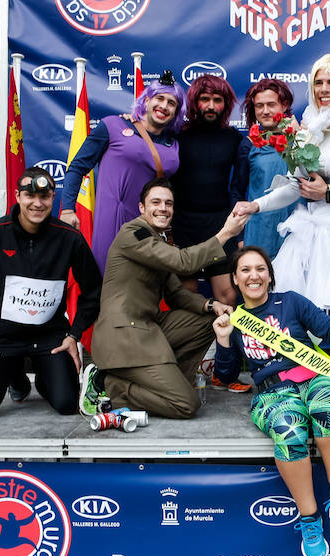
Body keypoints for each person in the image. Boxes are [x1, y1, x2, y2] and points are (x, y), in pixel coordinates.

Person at [235, 54, 330, 417]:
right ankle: (299, 379)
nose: (324, 90)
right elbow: (295, 185)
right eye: (318, 83)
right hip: (311, 222)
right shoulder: (308, 126)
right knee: (297, 301)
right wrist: (256, 206)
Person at [212, 246, 330, 556]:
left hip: (315, 377)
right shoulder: (234, 320)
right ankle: (310, 519)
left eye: (260, 268)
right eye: (245, 270)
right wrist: (223, 341)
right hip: (273, 393)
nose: (254, 275)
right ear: (234, 278)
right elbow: (225, 374)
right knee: (289, 430)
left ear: (269, 275)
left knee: (325, 404)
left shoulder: (289, 301)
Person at [80, 178, 248, 419]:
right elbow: (183, 262)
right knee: (186, 405)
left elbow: (177, 294)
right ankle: (111, 384)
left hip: (147, 331)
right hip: (123, 337)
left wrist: (212, 304)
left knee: (209, 319)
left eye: (168, 203)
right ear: (141, 208)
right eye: (156, 202)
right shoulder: (133, 233)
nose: (163, 208)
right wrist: (226, 233)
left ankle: (168, 382)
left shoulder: (157, 241)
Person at [0, 167, 101, 419]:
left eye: (45, 196)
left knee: (65, 404)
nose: (37, 203)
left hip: (50, 339)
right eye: (30, 196)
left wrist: (74, 334)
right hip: (1, 339)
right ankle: (15, 377)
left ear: (53, 198)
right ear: (17, 196)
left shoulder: (70, 238)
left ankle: (44, 379)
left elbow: (93, 289)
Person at [61, 71, 185, 272]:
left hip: (151, 227)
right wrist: (67, 209)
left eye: (171, 103)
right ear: (146, 100)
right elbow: (77, 167)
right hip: (112, 222)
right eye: (159, 98)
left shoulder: (175, 144)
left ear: (177, 111)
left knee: (144, 289)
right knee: (109, 283)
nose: (164, 106)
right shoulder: (113, 125)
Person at [171, 74, 247, 308]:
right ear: (194, 102)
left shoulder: (234, 137)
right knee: (188, 296)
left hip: (220, 224)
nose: (211, 106)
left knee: (228, 297)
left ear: (226, 104)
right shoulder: (177, 134)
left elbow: (240, 186)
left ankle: (227, 345)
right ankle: (191, 346)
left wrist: (239, 232)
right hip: (183, 225)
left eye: (218, 99)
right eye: (205, 99)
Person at [237, 78, 301, 259]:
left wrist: (299, 138)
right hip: (259, 232)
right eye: (259, 106)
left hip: (296, 230)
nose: (265, 111)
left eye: (271, 104)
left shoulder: (303, 138)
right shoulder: (248, 145)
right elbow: (237, 191)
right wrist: (240, 237)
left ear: (284, 104)